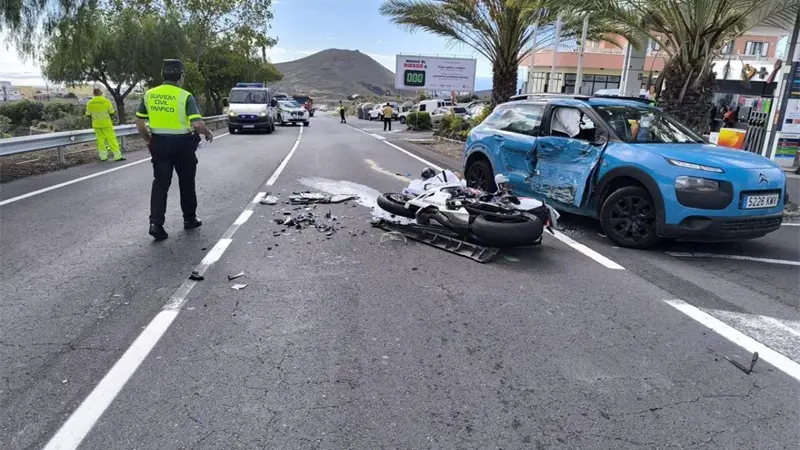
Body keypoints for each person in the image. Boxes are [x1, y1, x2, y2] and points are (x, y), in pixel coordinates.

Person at [135, 59, 214, 241]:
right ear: (181, 76)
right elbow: (197, 123)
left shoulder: (149, 94)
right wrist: (207, 133)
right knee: (186, 183)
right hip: (183, 145)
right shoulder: (185, 96)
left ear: (163, 75)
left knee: (160, 183)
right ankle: (189, 219)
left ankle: (156, 224)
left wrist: (149, 140)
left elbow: (139, 121)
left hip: (159, 143)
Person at [85, 88, 124, 161]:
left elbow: (88, 114)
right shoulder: (106, 101)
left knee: (100, 141)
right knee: (111, 139)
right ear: (101, 93)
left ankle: (103, 157)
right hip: (106, 123)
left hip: (96, 124)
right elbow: (112, 112)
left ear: (94, 94)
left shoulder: (89, 103)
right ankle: (117, 156)